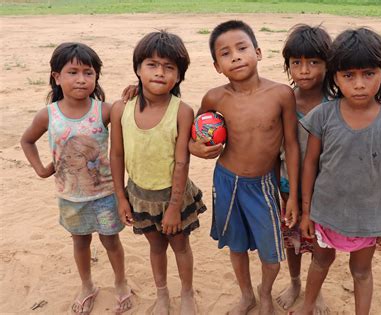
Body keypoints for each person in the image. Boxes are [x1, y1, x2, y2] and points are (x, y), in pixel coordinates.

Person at [291, 27, 381, 314]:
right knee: (320, 262)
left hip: (367, 217)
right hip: (325, 212)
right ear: (335, 77)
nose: (359, 84)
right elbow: (310, 163)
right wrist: (308, 211)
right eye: (349, 76)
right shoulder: (323, 115)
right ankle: (307, 307)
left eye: (368, 74)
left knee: (361, 272)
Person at [189, 20, 300, 314]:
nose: (235, 56)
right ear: (217, 66)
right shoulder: (215, 97)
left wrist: (294, 195)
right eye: (225, 53)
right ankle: (247, 295)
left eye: (242, 48)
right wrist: (198, 149)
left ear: (259, 52)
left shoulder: (281, 95)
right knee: (236, 246)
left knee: (272, 254)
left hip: (263, 185)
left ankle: (265, 294)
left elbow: (291, 146)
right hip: (227, 181)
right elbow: (193, 137)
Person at [20, 42, 132, 315]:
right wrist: (41, 169)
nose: (81, 79)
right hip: (70, 198)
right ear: (56, 77)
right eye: (72, 72)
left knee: (111, 241)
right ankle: (87, 285)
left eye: (88, 72)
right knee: (80, 242)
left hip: (105, 197)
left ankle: (121, 283)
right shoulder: (48, 115)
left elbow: (129, 112)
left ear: (96, 77)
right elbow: (27, 140)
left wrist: (135, 93)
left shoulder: (104, 111)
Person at [110, 31, 206, 315]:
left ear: (179, 76)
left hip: (173, 196)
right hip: (139, 194)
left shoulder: (182, 111)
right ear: (138, 69)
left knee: (180, 245)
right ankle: (162, 294)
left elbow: (181, 163)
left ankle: (187, 293)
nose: (160, 73)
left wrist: (175, 207)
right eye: (151, 64)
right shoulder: (121, 108)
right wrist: (121, 198)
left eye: (169, 67)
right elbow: (116, 154)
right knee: (155, 247)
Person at [275, 24, 331, 313]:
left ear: (327, 65)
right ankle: (295, 281)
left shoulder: (336, 103)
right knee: (293, 239)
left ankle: (315, 290)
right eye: (296, 63)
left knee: (321, 244)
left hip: (324, 190)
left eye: (313, 62)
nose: (304, 70)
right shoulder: (283, 100)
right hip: (287, 187)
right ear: (288, 66)